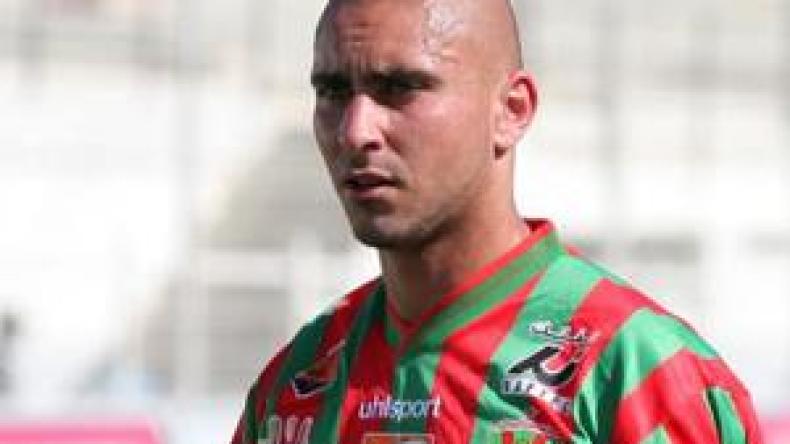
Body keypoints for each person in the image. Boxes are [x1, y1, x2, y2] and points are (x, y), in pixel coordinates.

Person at [231, 0, 763, 442]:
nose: (355, 131)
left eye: (401, 88)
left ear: (512, 110)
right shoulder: (294, 386)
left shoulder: (638, 374)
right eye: (332, 92)